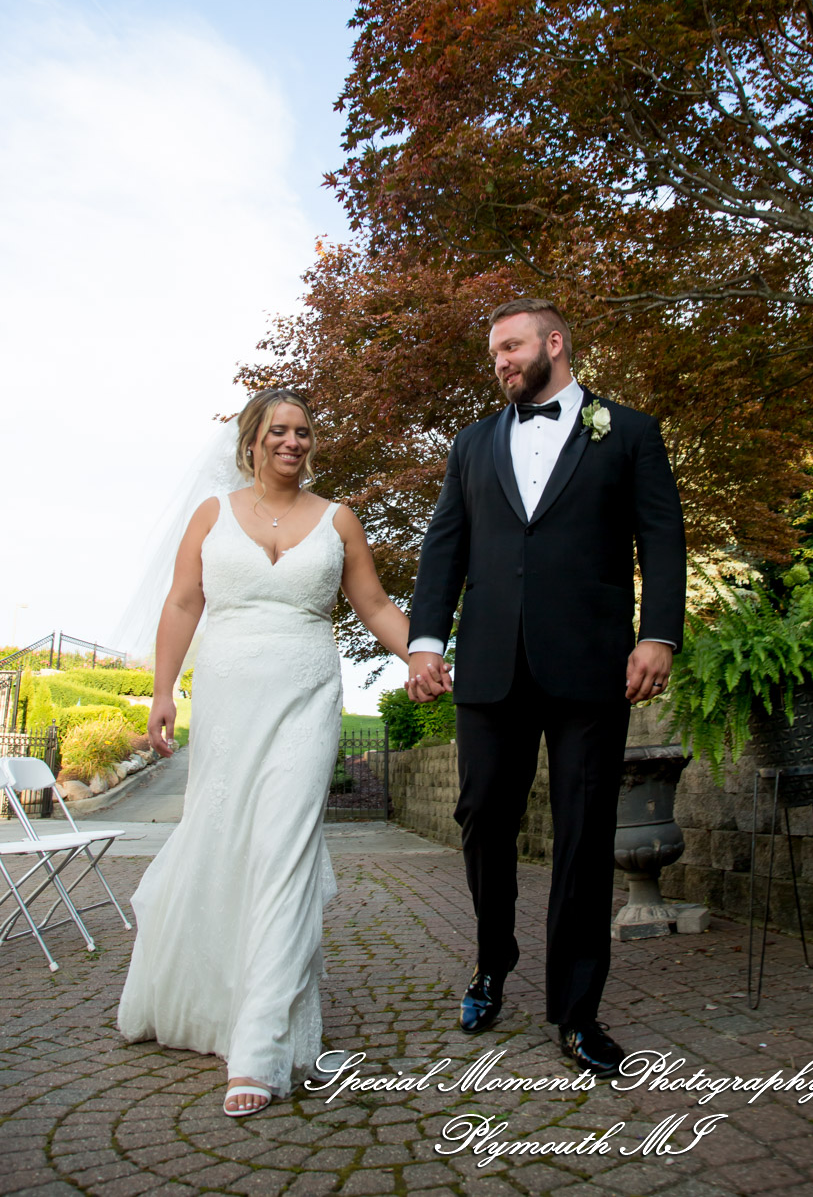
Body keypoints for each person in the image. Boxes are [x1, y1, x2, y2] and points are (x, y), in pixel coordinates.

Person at [117, 388, 428, 1117]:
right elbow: (183, 603)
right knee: (225, 842)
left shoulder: (337, 519)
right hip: (225, 697)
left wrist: (420, 654)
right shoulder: (212, 515)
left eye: (304, 432)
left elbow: (375, 604)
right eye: (279, 430)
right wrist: (164, 690)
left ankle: (257, 1042)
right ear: (252, 439)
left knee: (285, 846)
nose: (293, 441)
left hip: (305, 696)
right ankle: (207, 995)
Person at [406, 298, 686, 1077]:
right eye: (493, 350)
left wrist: (658, 633)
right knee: (481, 815)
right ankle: (492, 962)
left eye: (511, 345)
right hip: (490, 666)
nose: (499, 360)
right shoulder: (470, 445)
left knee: (586, 831)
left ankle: (575, 1010)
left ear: (554, 344)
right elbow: (444, 548)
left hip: (591, 663)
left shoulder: (628, 432)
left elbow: (663, 537)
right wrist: (425, 642)